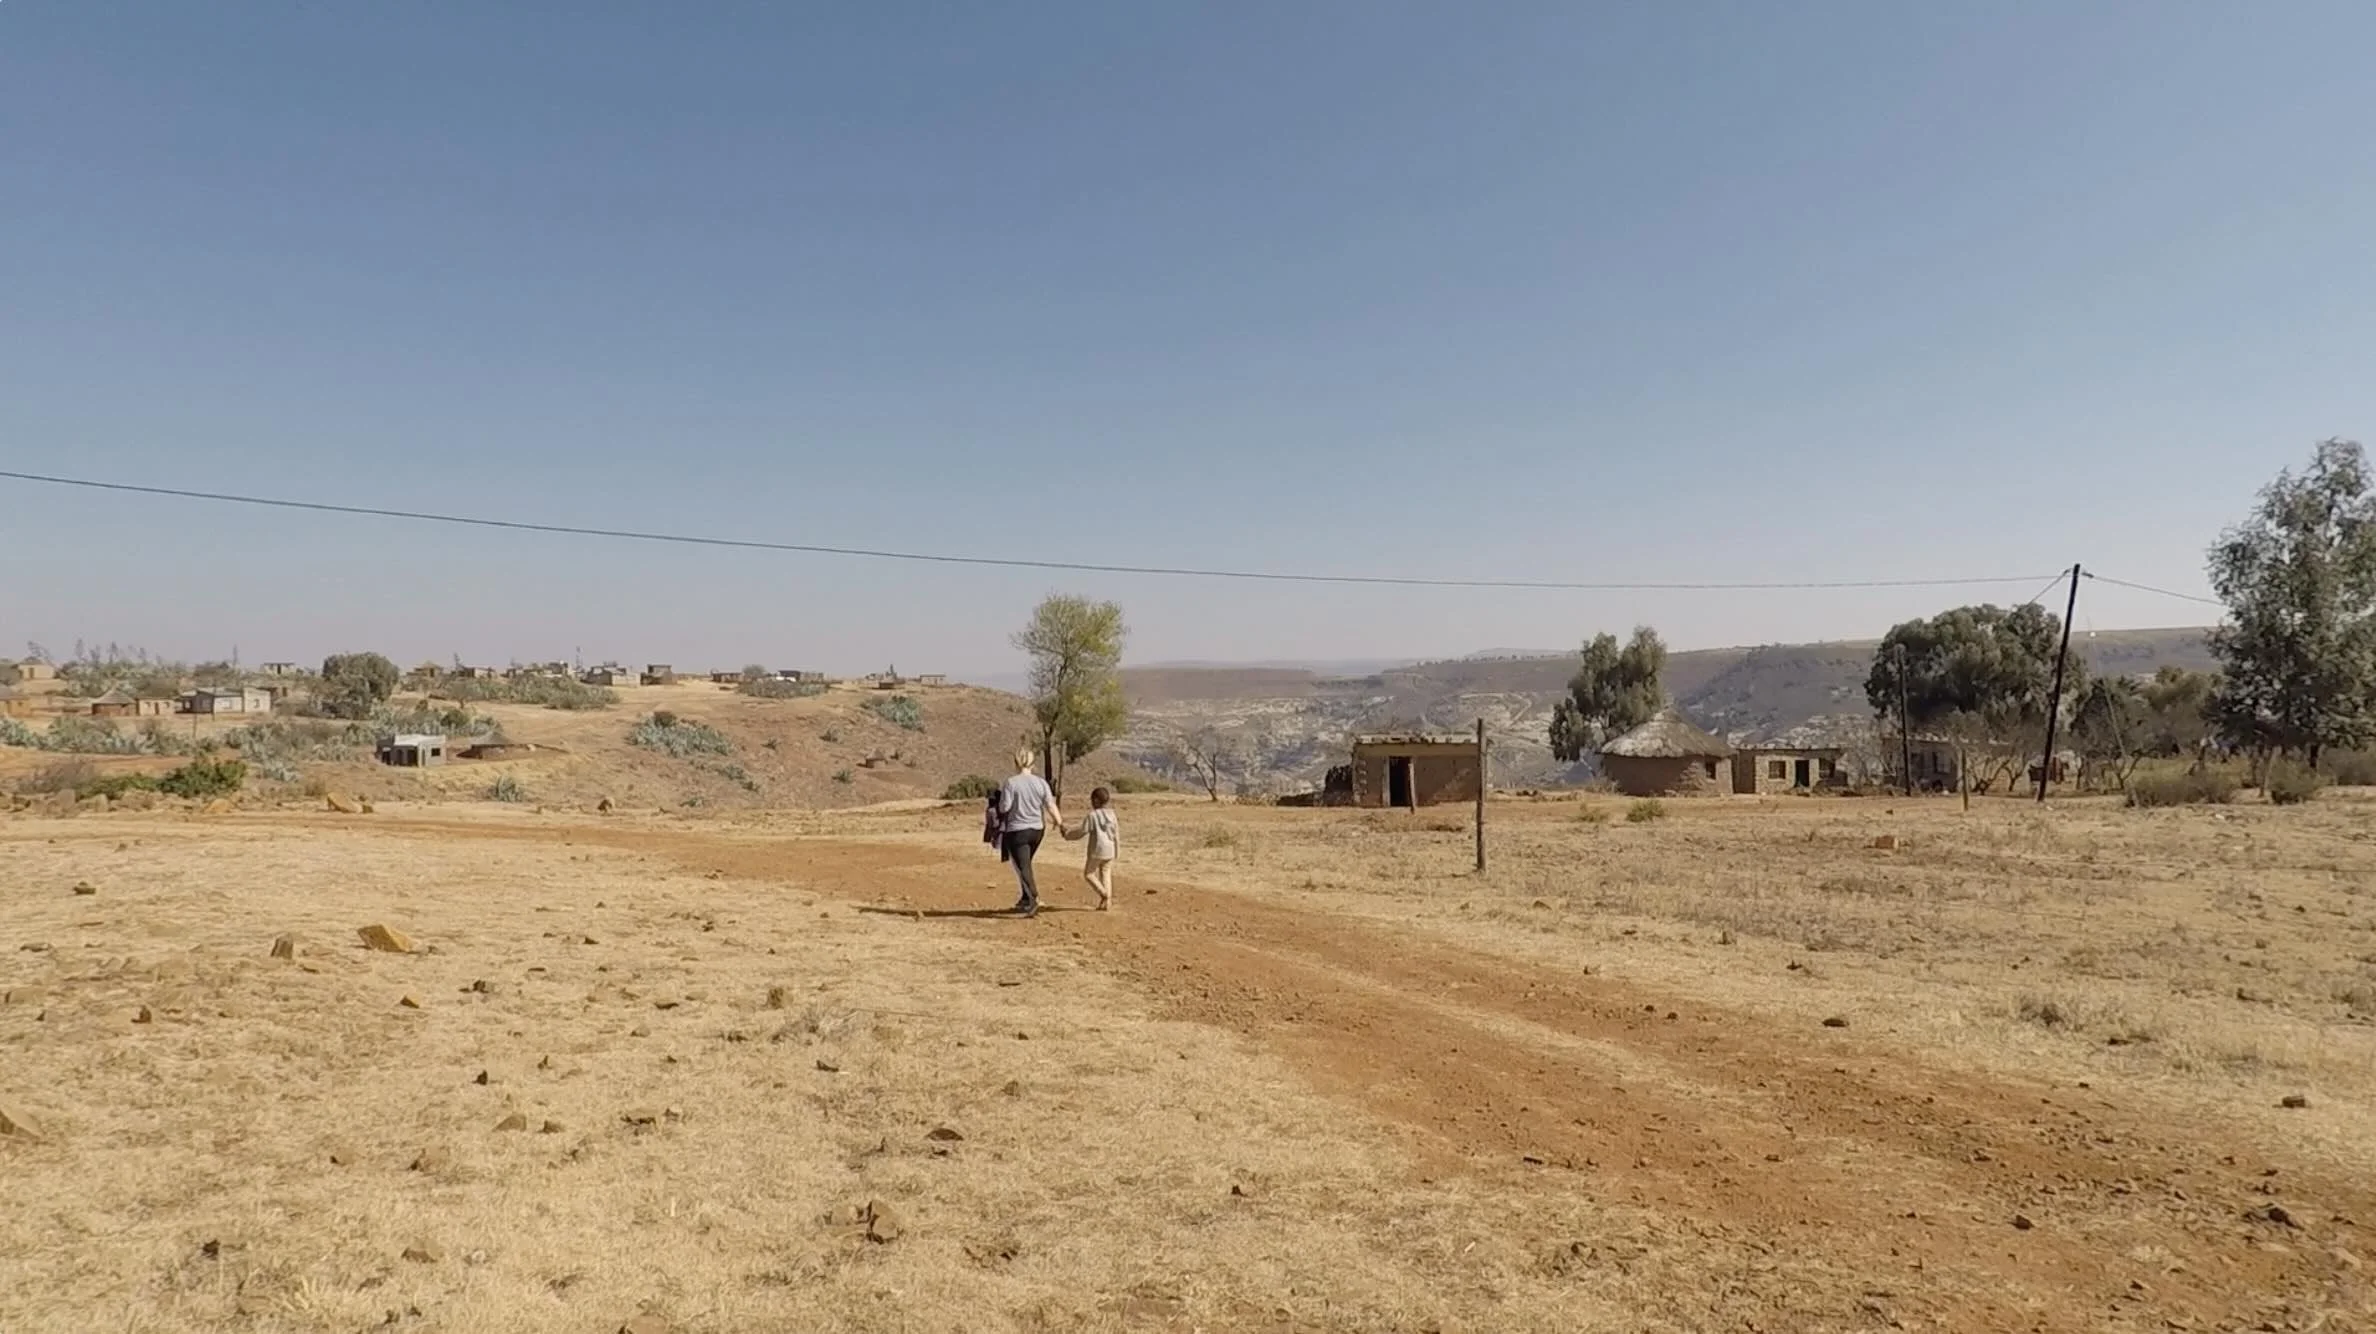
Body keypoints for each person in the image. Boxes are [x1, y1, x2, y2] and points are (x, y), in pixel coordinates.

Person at [995, 746, 1059, 917]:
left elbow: (1004, 807)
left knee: (1022, 867)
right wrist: (1058, 821)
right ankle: (1025, 898)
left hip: (1017, 831)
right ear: (1033, 763)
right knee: (1026, 864)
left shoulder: (1011, 782)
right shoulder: (1040, 783)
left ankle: (1033, 899)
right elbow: (1050, 804)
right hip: (1037, 830)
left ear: (1016, 762)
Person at [1060, 785, 1119, 911]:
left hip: (1097, 850)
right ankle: (1107, 903)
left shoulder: (1093, 816)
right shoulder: (1112, 814)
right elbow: (1116, 834)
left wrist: (1067, 834)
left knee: (1089, 874)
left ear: (1096, 800)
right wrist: (1117, 850)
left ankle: (1104, 894)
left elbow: (1082, 831)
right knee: (1106, 873)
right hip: (1110, 849)